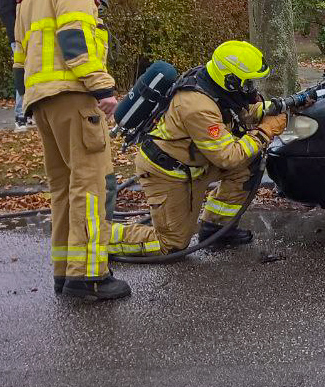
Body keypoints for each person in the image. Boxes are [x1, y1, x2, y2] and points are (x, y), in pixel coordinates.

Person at [13, 0, 124, 302]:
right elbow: (75, 38)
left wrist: (29, 97)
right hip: (75, 97)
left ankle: (64, 271)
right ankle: (89, 276)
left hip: (41, 102)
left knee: (62, 188)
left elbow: (18, 57)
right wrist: (102, 88)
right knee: (91, 186)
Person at [112, 41, 288, 258]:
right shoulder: (197, 106)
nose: (250, 88)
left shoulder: (214, 85)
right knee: (171, 245)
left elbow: (240, 112)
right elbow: (228, 157)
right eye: (247, 82)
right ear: (231, 79)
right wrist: (265, 131)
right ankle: (98, 239)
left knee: (248, 165)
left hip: (197, 163)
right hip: (169, 174)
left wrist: (279, 107)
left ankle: (216, 228)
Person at [0, 0, 36, 131]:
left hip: (34, 35)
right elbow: (6, 12)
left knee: (33, 75)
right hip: (19, 38)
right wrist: (15, 37)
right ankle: (20, 117)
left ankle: (29, 115)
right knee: (22, 76)